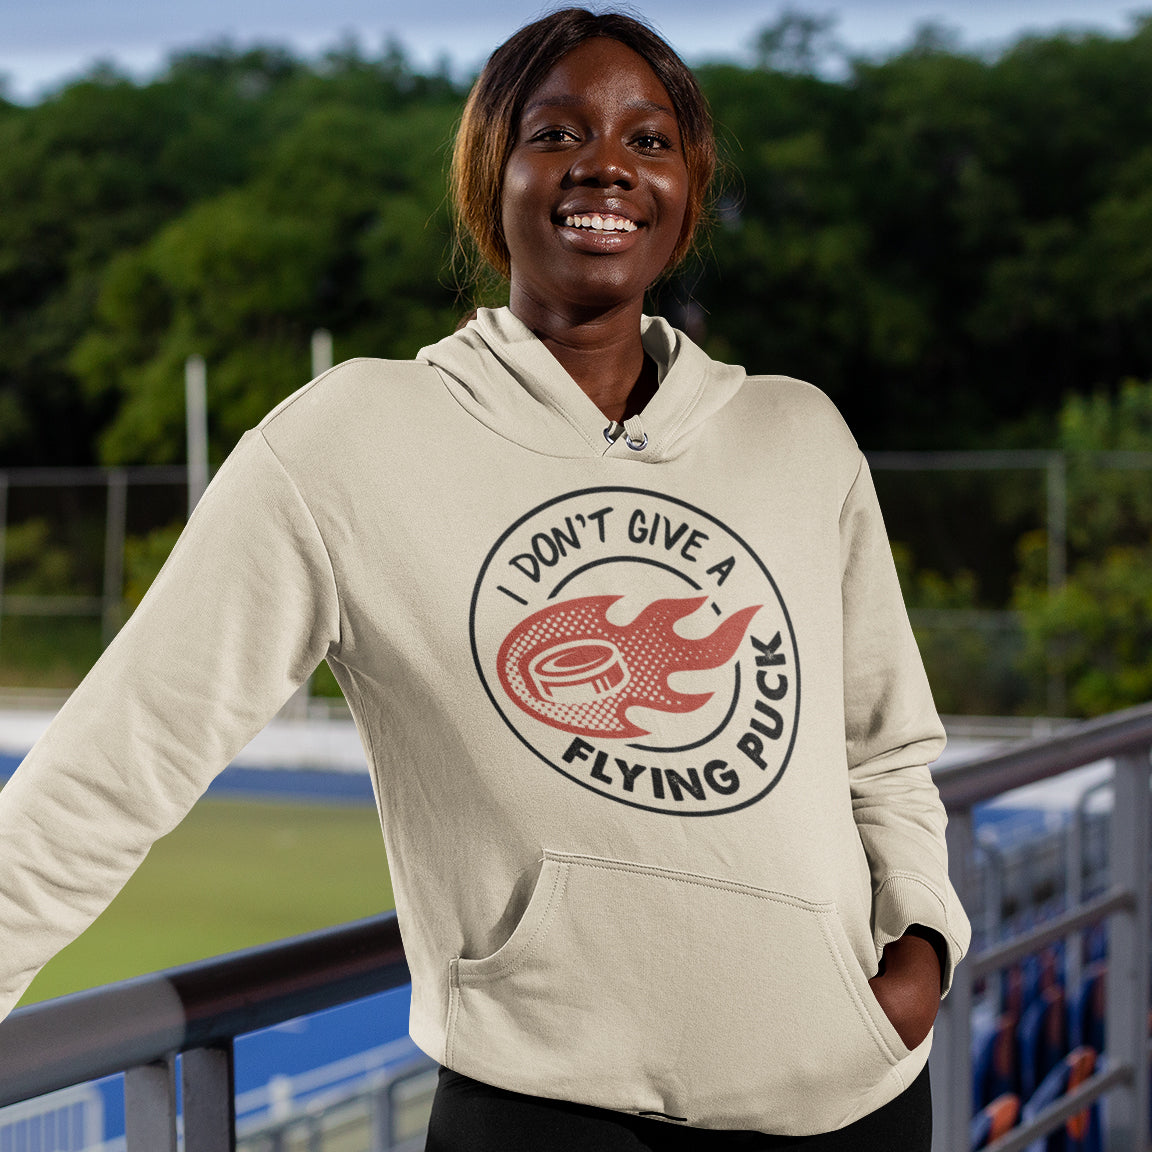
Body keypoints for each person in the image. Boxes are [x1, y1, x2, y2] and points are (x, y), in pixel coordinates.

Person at [0, 9, 970, 1149]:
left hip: (852, 1098)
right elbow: (121, 758)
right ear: (488, 179)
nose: (607, 164)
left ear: (689, 191)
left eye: (649, 142)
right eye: (557, 134)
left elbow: (887, 747)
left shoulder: (798, 433)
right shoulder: (350, 441)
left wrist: (920, 952)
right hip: (549, 1110)